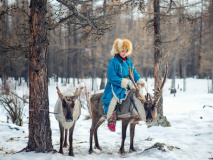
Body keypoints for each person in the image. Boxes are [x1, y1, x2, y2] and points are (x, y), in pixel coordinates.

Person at [101, 38, 147, 132]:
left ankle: (136, 114)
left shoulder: (128, 61)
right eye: (122, 51)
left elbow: (134, 73)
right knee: (113, 99)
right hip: (115, 85)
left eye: (126, 51)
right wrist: (123, 82)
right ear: (118, 50)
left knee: (137, 94)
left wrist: (139, 80)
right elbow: (111, 76)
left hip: (128, 85)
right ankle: (111, 118)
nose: (124, 53)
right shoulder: (114, 61)